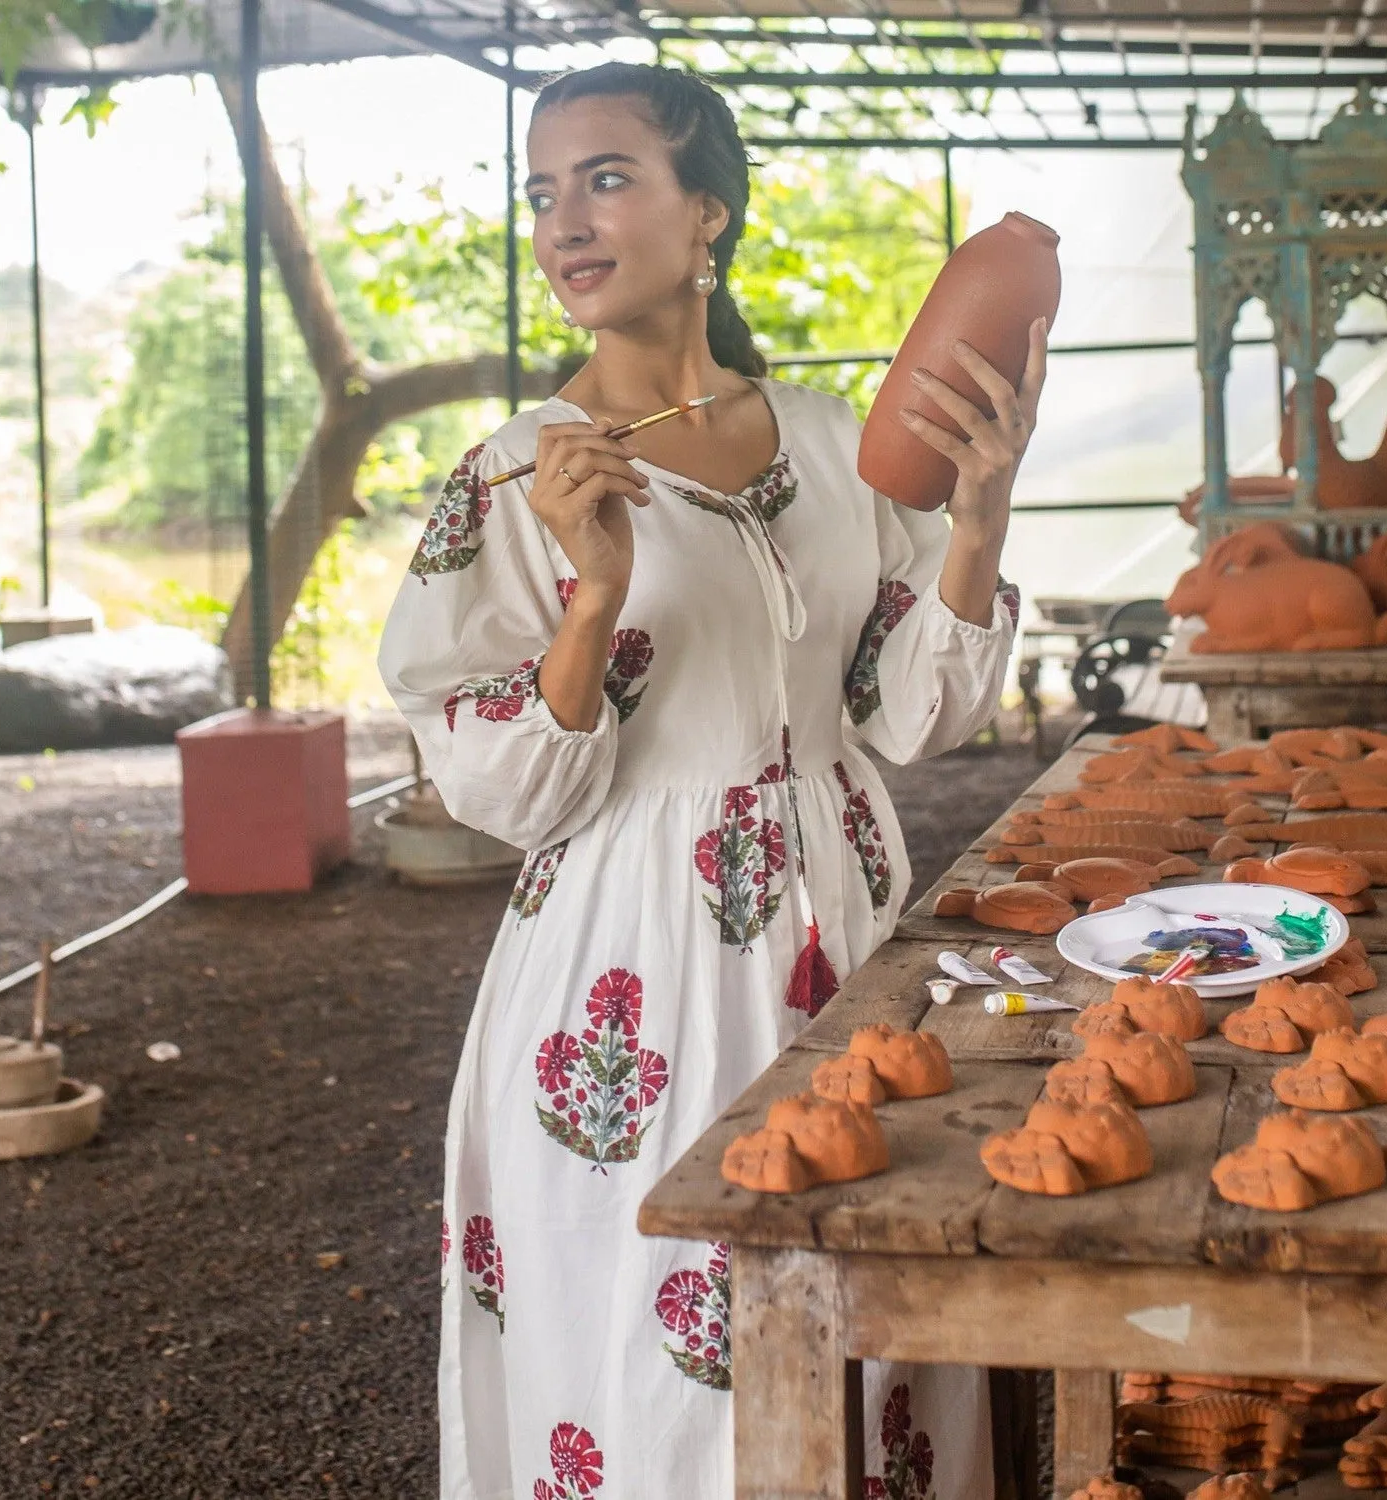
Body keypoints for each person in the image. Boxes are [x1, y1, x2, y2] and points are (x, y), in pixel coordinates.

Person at [378, 59, 1046, 1500]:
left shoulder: (831, 442)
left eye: (607, 178)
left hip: (847, 921)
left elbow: (913, 709)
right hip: (625, 969)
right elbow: (491, 787)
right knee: (653, 1358)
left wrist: (980, 511)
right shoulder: (511, 478)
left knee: (879, 1313)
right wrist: (590, 595)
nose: (565, 220)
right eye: (544, 192)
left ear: (711, 217)